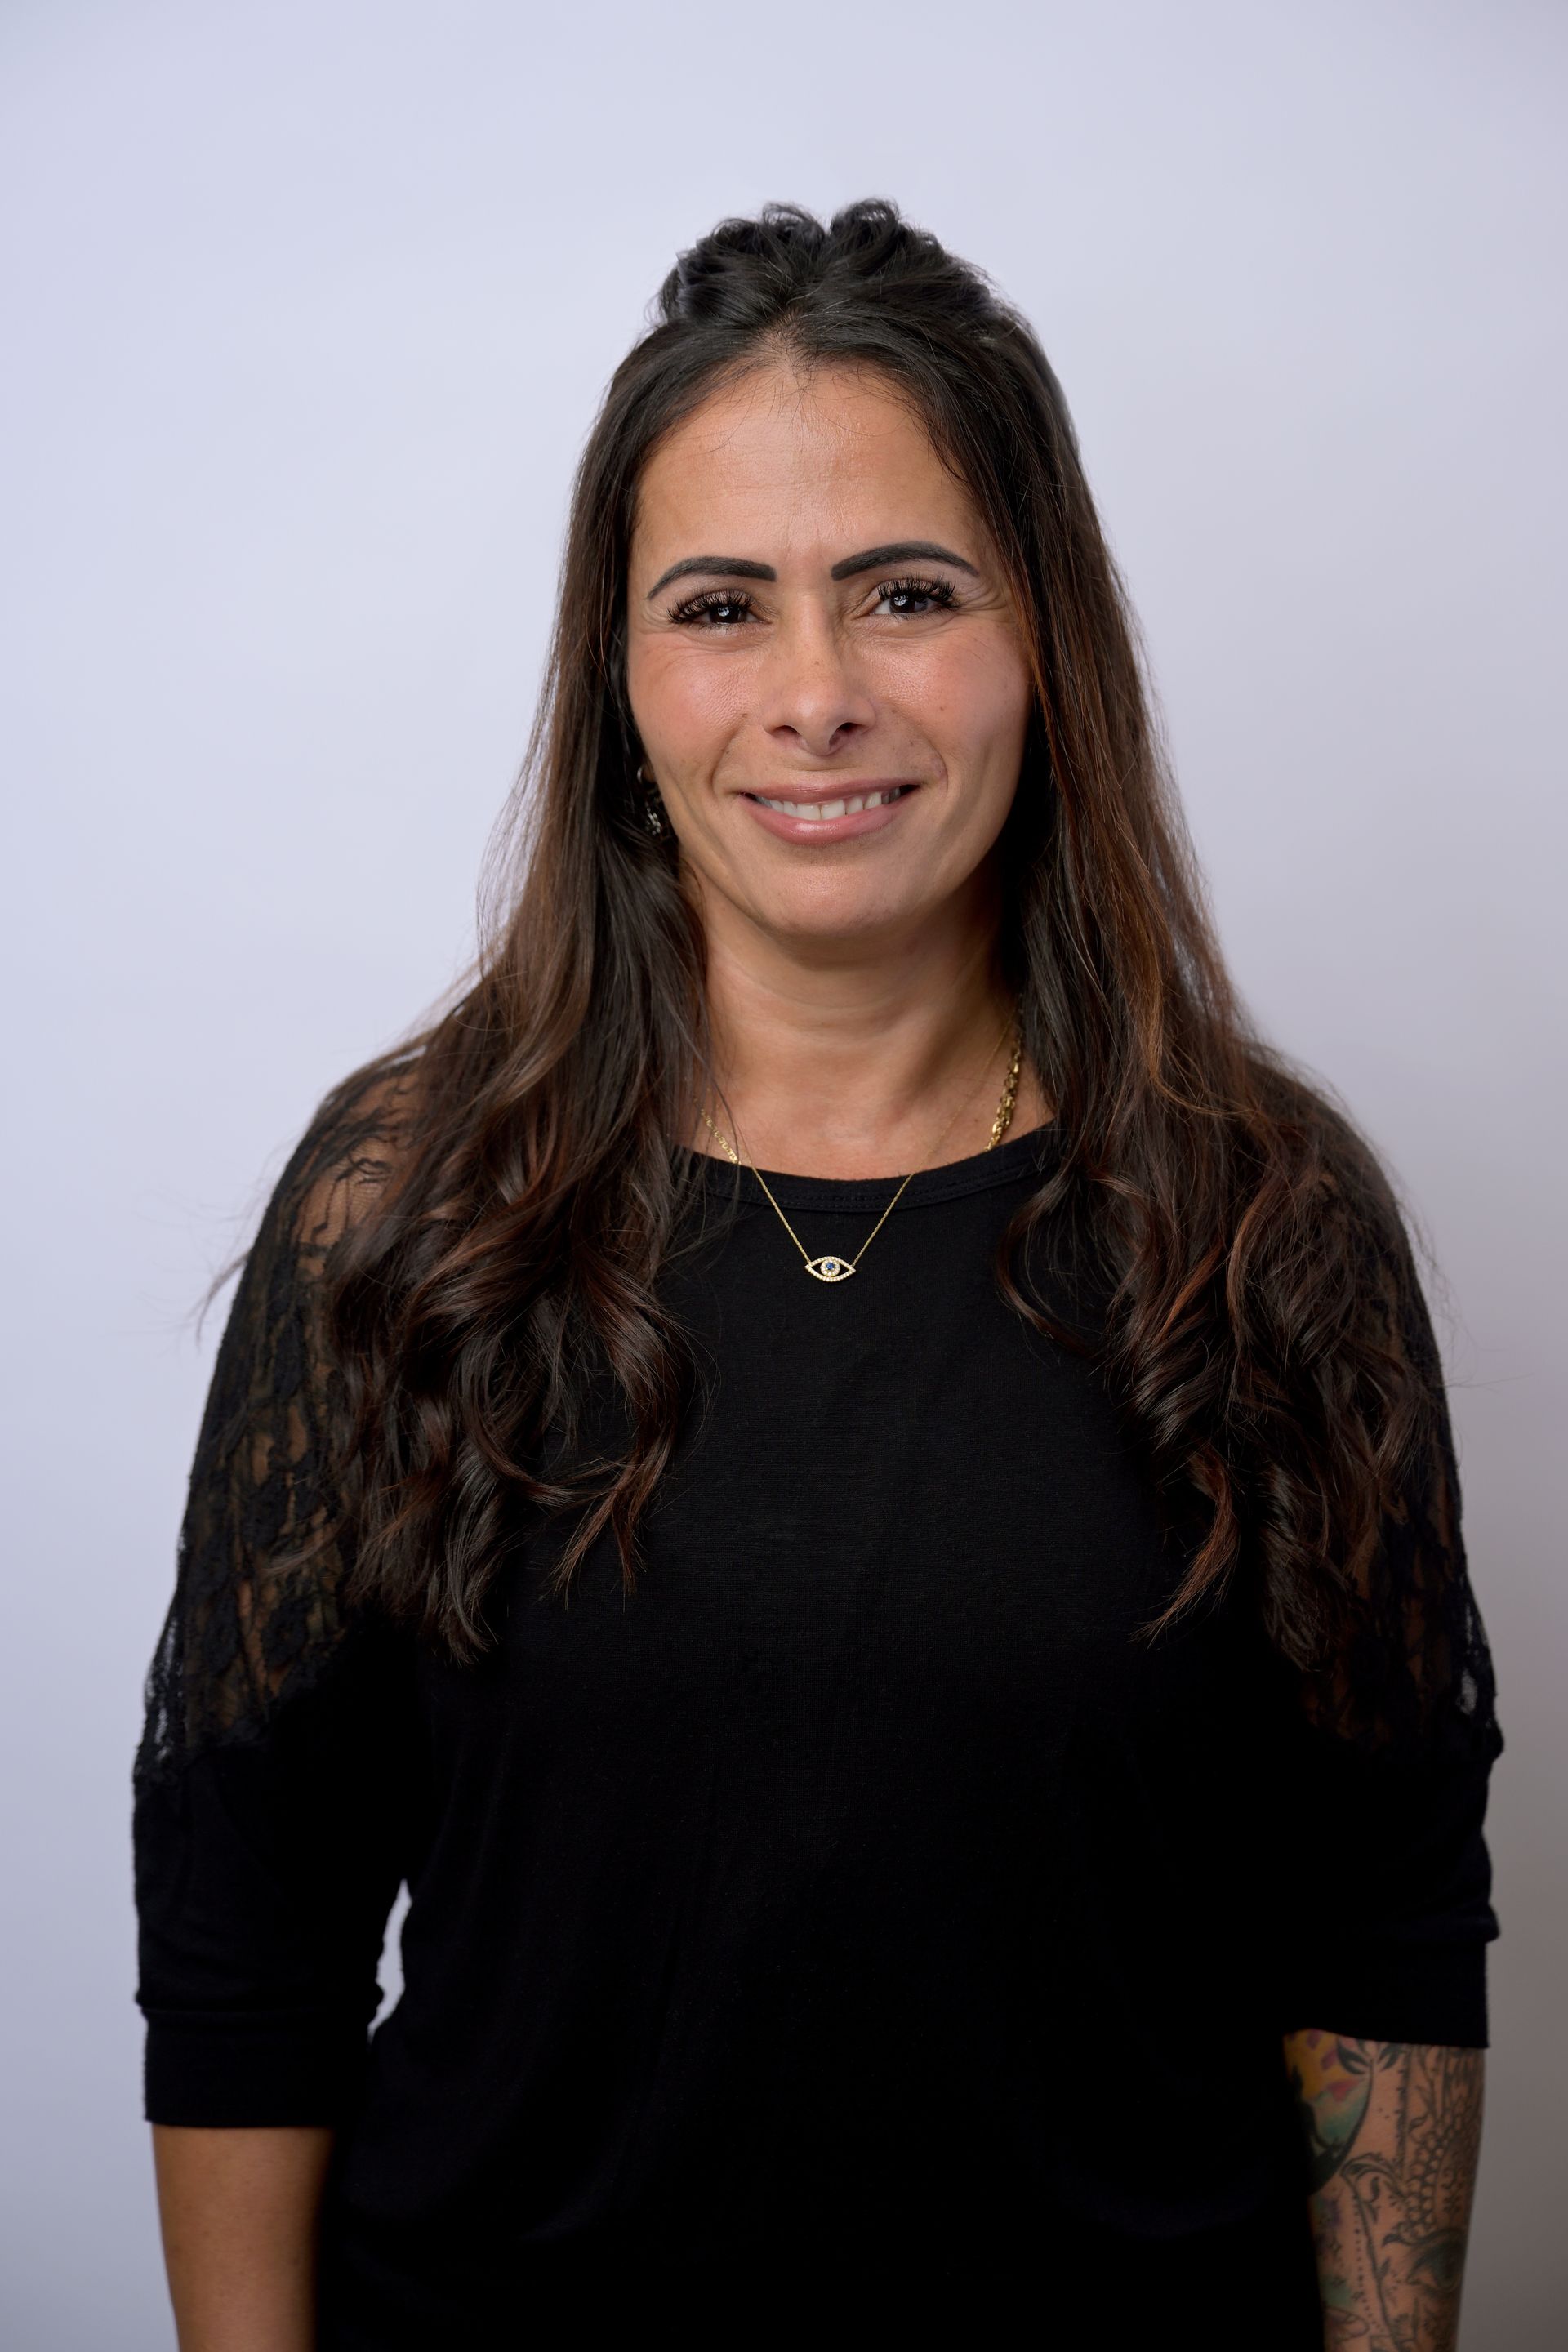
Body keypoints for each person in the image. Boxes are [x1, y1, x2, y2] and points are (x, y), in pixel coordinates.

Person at [134, 201, 1500, 2349]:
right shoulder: (405, 1209)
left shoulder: (1264, 1219)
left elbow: (1382, 1918)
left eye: (908, 594)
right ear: (620, 683)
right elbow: (249, 1922)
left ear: (1045, 645)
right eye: (720, 607)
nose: (816, 697)